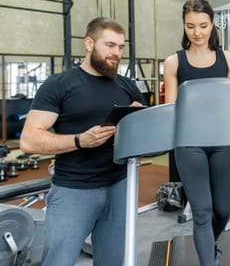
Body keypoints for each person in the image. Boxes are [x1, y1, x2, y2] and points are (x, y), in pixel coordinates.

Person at [20, 17, 144, 266]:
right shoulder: (60, 84)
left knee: (113, 261)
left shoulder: (128, 86)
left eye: (121, 47)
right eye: (109, 45)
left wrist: (141, 122)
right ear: (89, 43)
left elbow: (142, 138)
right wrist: (80, 141)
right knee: (59, 261)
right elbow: (29, 140)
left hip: (120, 186)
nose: (116, 53)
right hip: (74, 190)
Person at [163, 0, 230, 266]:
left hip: (222, 140)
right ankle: (208, 261)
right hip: (189, 141)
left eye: (203, 25)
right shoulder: (173, 62)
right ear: (184, 26)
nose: (197, 32)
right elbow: (171, 107)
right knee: (202, 211)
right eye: (190, 26)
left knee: (221, 210)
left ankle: (211, 245)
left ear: (213, 24)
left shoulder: (227, 59)